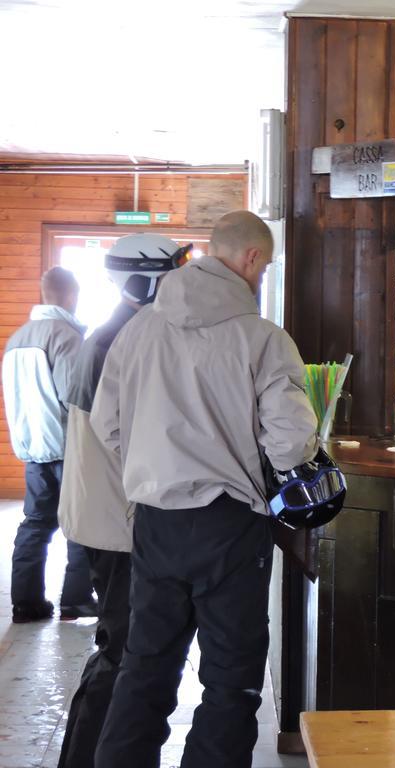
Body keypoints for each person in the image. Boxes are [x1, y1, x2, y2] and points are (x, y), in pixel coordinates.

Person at [90, 211, 318, 768]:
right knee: (230, 680)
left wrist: (153, 460)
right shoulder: (263, 337)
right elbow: (291, 444)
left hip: (155, 521)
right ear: (253, 259)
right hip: (229, 526)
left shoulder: (138, 329)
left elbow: (106, 424)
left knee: (145, 665)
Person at [57, 233, 191, 768]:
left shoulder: (116, 331)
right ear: (144, 279)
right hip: (119, 523)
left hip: (107, 517)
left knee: (122, 650)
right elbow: (138, 442)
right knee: (124, 655)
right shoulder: (124, 339)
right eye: (177, 269)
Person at [1, 266, 94, 623]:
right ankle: (76, 598)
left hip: (32, 448)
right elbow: (76, 396)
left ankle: (25, 603)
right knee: (78, 523)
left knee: (35, 523)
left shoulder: (18, 337)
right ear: (72, 296)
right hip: (67, 447)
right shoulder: (66, 336)